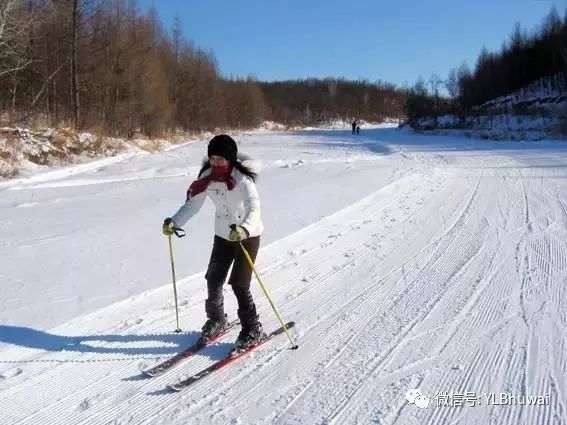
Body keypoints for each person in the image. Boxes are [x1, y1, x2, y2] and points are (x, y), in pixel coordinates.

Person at [162, 134, 265, 350]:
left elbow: (253, 208)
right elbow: (192, 206)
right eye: (213, 158)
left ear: (231, 159)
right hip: (222, 236)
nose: (216, 163)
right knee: (214, 278)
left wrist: (244, 229)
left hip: (247, 236)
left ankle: (252, 327)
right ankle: (217, 319)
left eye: (221, 159)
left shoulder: (243, 181)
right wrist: (175, 222)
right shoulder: (207, 178)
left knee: (239, 283)